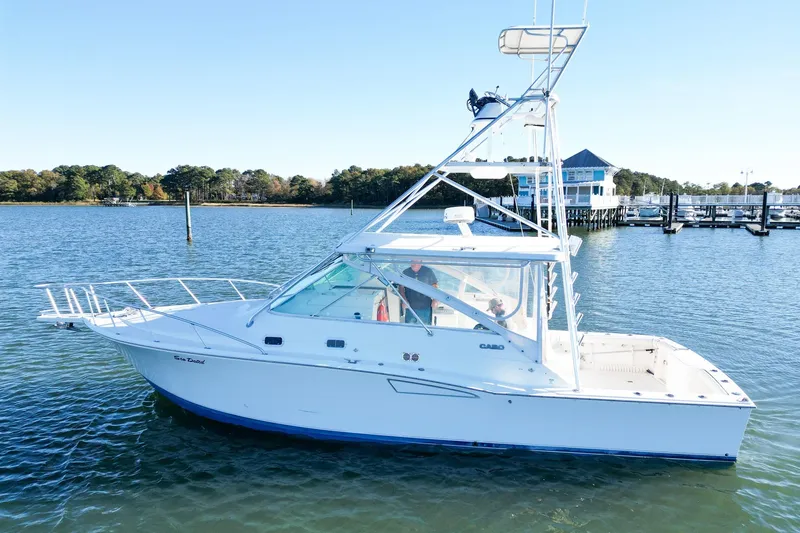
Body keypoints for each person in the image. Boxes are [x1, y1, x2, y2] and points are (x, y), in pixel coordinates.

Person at [399, 260, 438, 325]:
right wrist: (404, 300)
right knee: (410, 329)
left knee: (424, 330)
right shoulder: (405, 272)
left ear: (421, 262)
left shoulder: (428, 271)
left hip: (425, 307)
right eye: (412, 261)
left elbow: (435, 285)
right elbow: (401, 288)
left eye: (416, 261)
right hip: (410, 307)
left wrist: (435, 299)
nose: (413, 263)